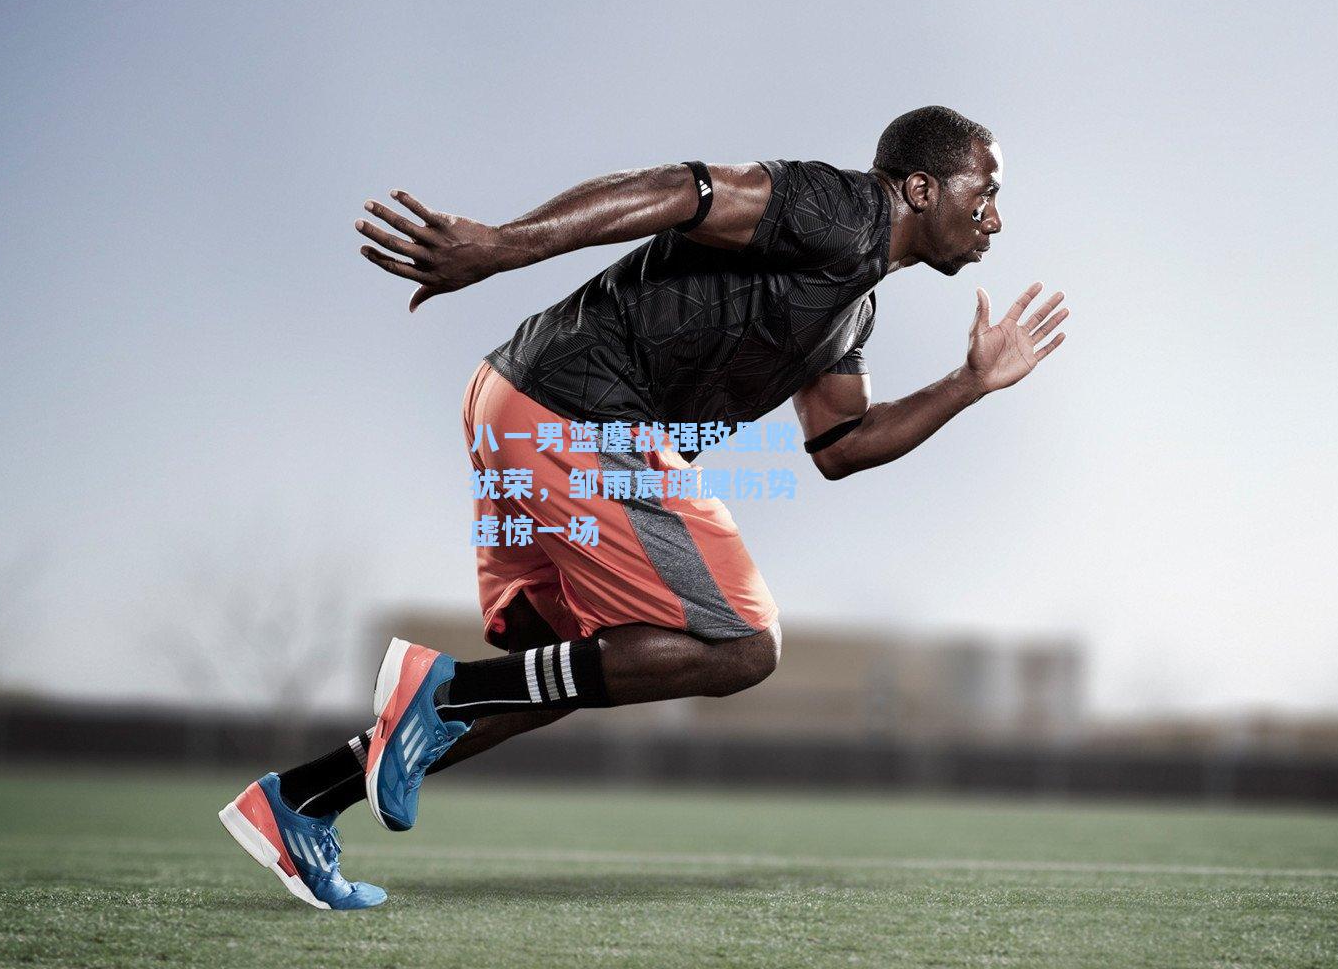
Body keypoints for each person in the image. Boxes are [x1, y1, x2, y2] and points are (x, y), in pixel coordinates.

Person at [218, 105, 1071, 909]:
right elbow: (681, 189)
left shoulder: (853, 304)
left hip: (515, 400)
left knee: (554, 675)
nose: (995, 217)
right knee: (742, 645)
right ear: (922, 190)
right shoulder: (840, 207)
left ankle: (301, 803)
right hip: (578, 410)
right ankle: (437, 695)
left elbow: (841, 446)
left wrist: (968, 384)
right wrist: (501, 248)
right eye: (985, 192)